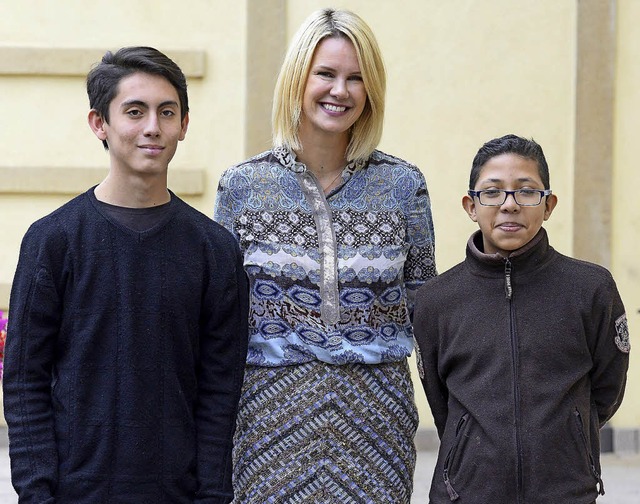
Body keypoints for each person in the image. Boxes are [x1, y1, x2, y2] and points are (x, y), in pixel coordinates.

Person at [3, 46, 249, 503]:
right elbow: (24, 380)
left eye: (167, 112)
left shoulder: (214, 250)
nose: (152, 127)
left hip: (177, 492)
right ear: (100, 123)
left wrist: (213, 494)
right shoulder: (52, 241)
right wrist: (36, 494)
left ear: (184, 125)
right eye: (134, 112)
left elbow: (221, 387)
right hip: (74, 493)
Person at [214, 8, 436, 503]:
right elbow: (220, 318)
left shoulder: (403, 186)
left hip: (376, 418)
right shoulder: (243, 187)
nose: (341, 90)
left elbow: (427, 308)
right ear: (298, 79)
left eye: (357, 78)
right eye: (327, 74)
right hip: (268, 416)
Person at [413, 134, 630, 503]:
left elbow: (607, 389)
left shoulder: (590, 288)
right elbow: (441, 401)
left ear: (548, 206)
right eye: (493, 192)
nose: (509, 205)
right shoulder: (436, 300)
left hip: (566, 491)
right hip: (465, 493)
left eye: (526, 191)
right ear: (470, 205)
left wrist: (570, 437)